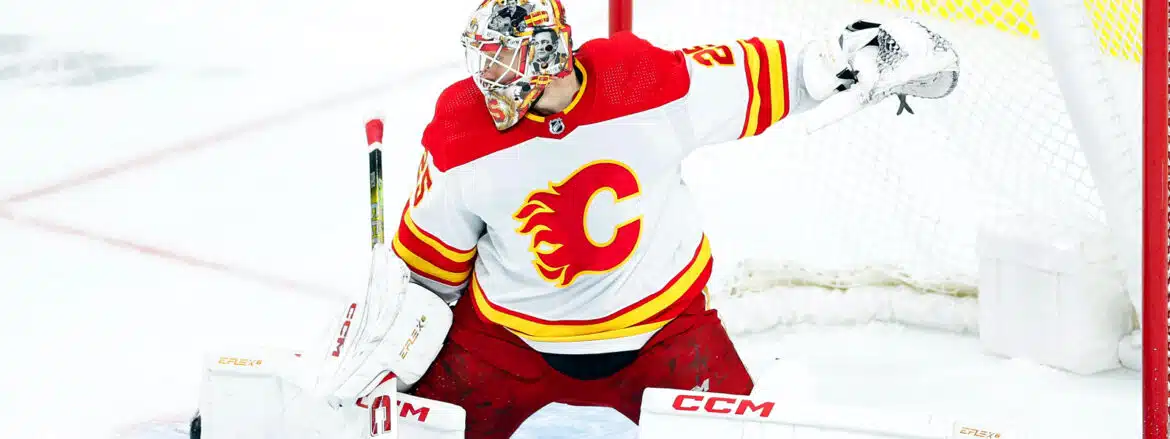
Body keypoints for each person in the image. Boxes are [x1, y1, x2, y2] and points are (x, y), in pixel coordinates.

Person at [187, 1, 957, 438]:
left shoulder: (649, 83)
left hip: (665, 335)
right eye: (485, 64)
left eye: (509, 67)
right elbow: (429, 272)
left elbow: (777, 74)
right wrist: (391, 338)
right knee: (405, 424)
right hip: (508, 344)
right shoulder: (460, 133)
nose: (491, 83)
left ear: (554, 58)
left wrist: (864, 51)